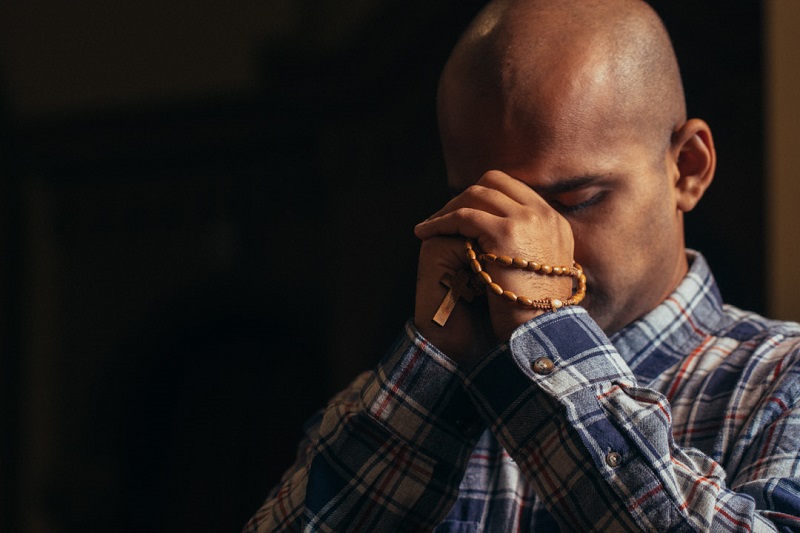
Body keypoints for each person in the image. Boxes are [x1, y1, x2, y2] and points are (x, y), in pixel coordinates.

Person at [245, 0, 800, 530]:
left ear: (687, 168)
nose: (524, 239)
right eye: (488, 207)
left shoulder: (783, 382)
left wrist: (547, 334)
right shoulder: (401, 401)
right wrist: (430, 372)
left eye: (576, 200)